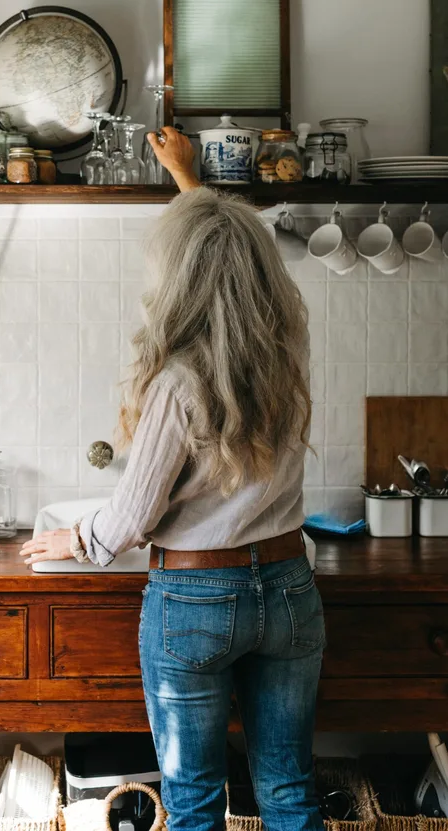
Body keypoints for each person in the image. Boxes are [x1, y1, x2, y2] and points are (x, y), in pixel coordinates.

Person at [20, 128, 324, 831]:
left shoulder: (178, 383)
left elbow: (128, 521)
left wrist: (72, 537)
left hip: (193, 601)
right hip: (287, 591)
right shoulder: (290, 352)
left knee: (193, 799)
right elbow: (246, 252)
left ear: (177, 279)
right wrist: (189, 179)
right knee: (288, 790)